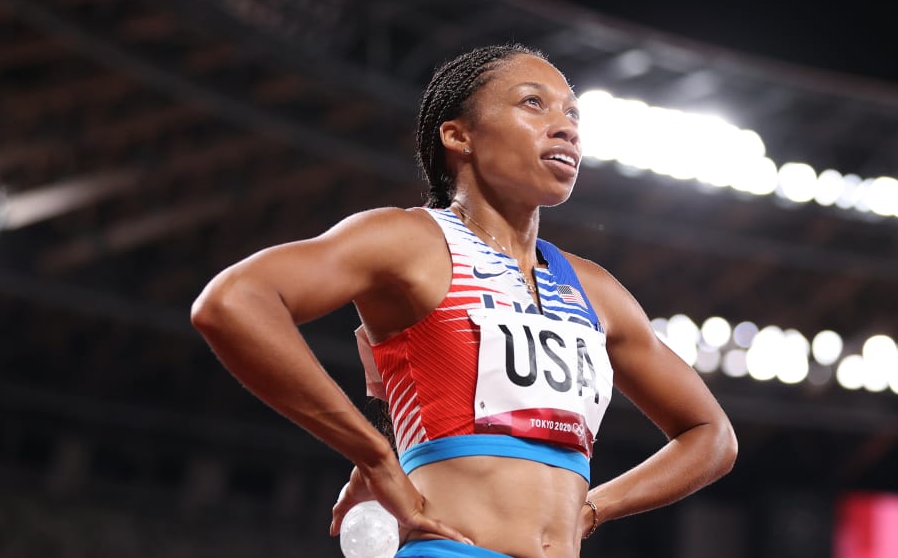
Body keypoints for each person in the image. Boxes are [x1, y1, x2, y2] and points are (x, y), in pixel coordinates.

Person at [190, 43, 737, 557]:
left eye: (573, 115)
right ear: (459, 136)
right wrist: (375, 454)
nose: (567, 128)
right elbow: (235, 301)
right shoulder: (410, 242)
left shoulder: (595, 289)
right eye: (533, 103)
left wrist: (594, 510)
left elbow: (711, 436)